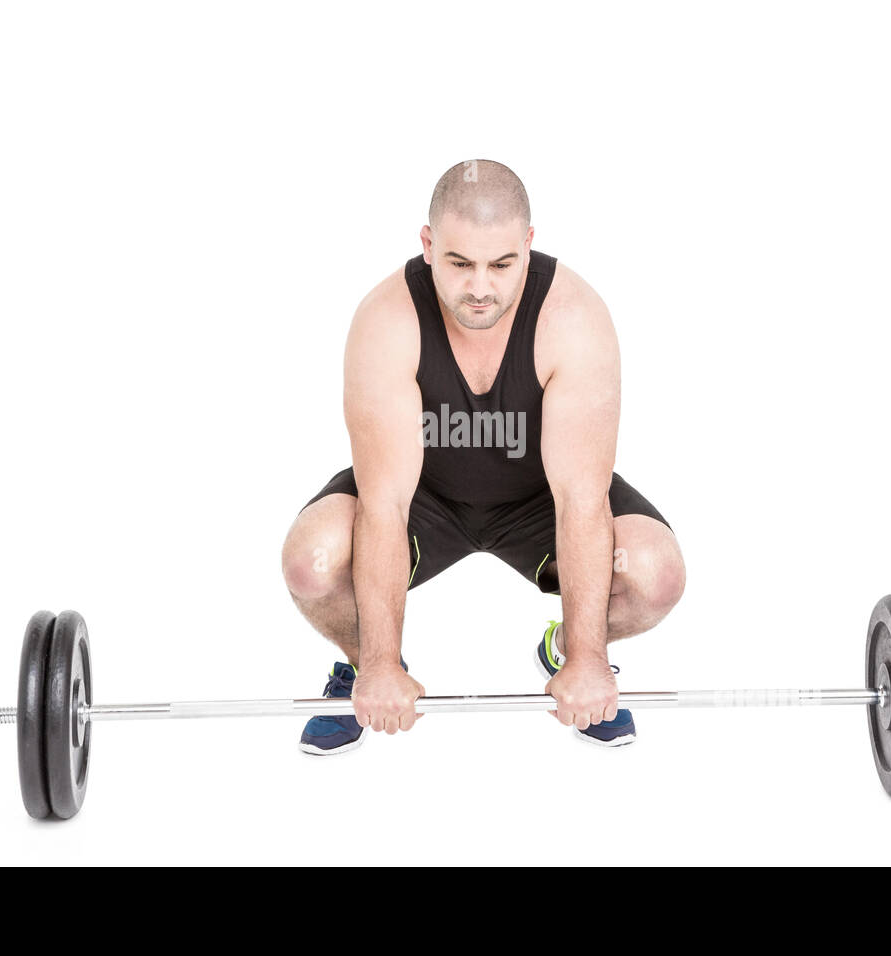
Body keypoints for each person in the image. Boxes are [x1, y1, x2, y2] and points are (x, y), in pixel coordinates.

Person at [281, 159, 685, 754]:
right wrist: (381, 663)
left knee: (655, 576)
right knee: (310, 563)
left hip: (540, 501)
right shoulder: (387, 320)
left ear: (528, 244)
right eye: (459, 263)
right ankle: (356, 669)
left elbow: (580, 498)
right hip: (420, 499)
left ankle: (569, 649)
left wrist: (587, 659)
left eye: (501, 264)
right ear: (427, 245)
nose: (480, 287)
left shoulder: (572, 318)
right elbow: (386, 503)